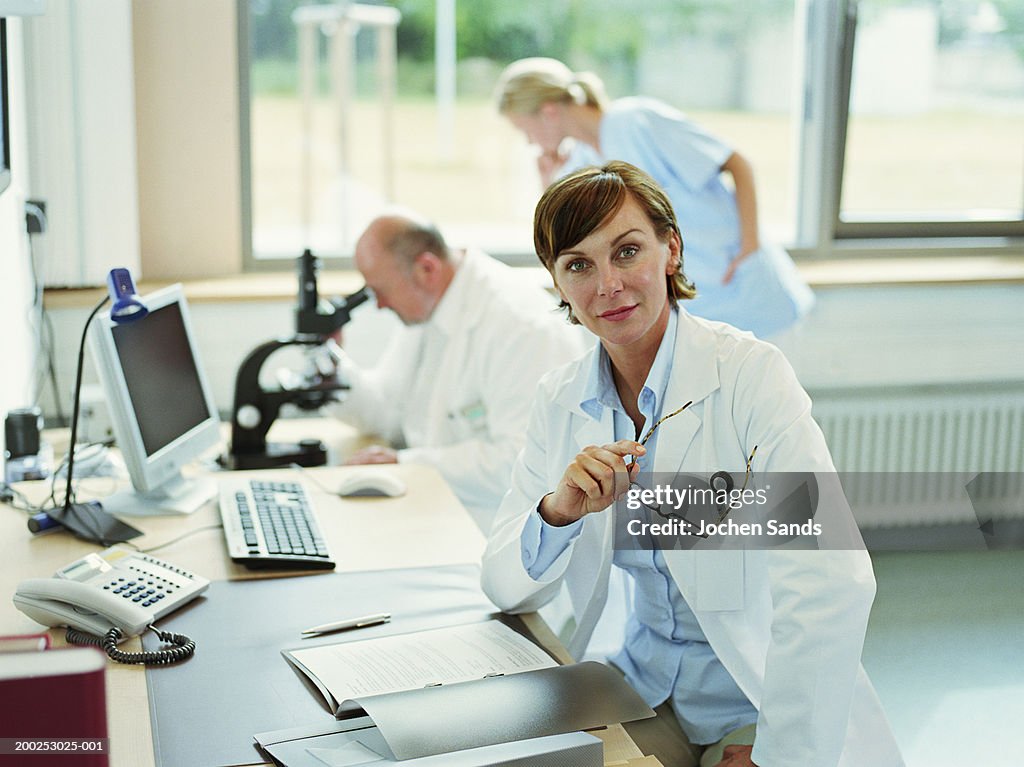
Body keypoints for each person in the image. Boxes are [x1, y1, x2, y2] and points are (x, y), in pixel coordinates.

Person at [481, 162, 903, 767]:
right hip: (638, 688)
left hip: (754, 701)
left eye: (627, 252)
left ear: (670, 249)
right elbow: (502, 583)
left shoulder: (750, 378)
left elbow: (831, 579)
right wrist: (558, 512)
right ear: (556, 282)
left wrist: (779, 754)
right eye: (578, 264)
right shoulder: (560, 398)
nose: (608, 286)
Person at [494, 57, 814, 341]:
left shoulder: (634, 121)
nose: (529, 142)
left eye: (525, 130)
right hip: (701, 300)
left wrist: (750, 248)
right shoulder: (582, 160)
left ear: (548, 112)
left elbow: (737, 164)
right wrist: (548, 181)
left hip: (744, 278)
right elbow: (568, 239)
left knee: (770, 391)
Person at [327, 210, 588, 531]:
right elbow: (388, 411)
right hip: (439, 506)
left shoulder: (519, 325)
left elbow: (521, 461)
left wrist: (407, 462)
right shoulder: (426, 309)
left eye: (380, 291)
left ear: (426, 268)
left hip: (497, 528)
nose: (379, 305)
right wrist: (328, 363)